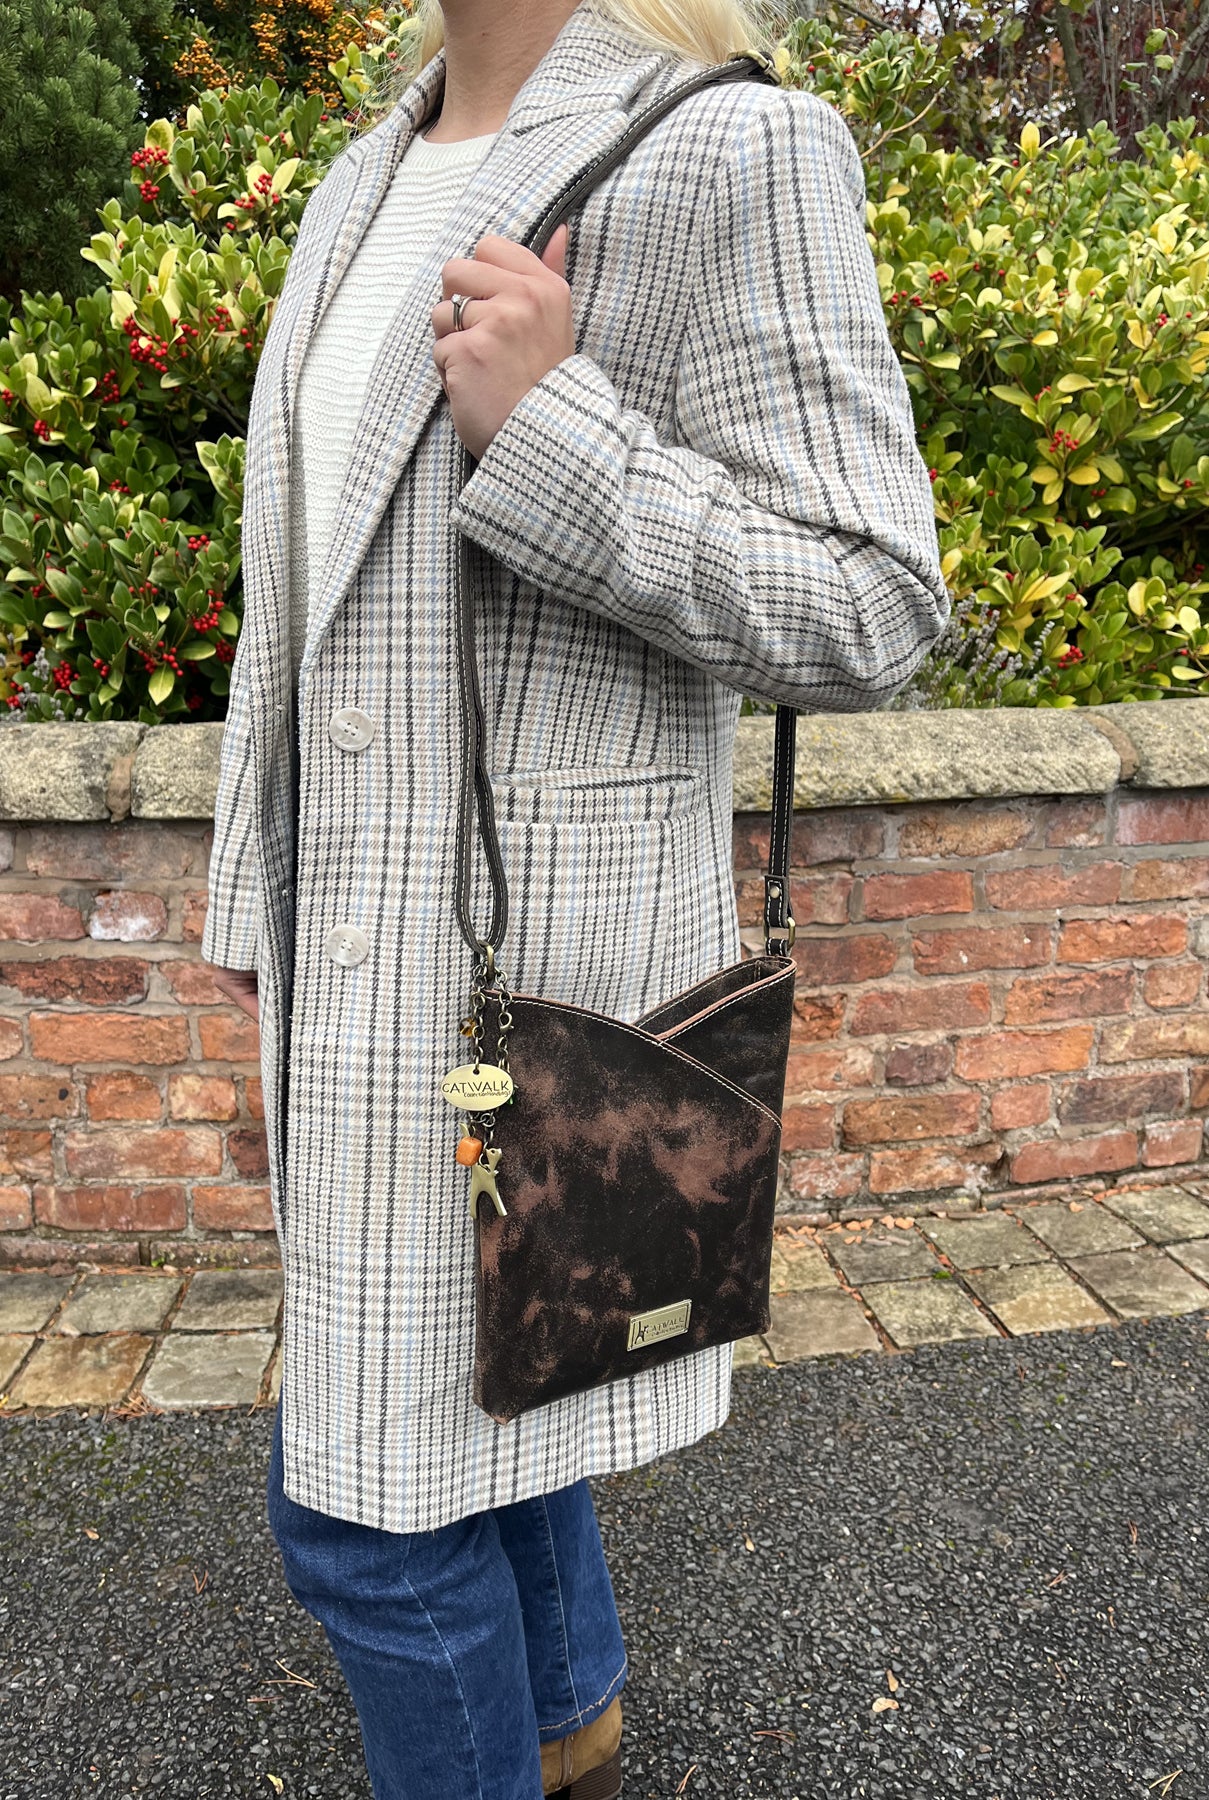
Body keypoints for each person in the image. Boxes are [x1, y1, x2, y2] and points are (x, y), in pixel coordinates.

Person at [202, 0, 950, 1793]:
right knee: (491, 1401)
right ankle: (569, 1731)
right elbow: (290, 596)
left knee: (364, 1526)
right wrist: (250, 893)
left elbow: (873, 604)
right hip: (354, 969)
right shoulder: (361, 175)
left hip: (537, 982)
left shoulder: (732, 145)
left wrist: (552, 430)